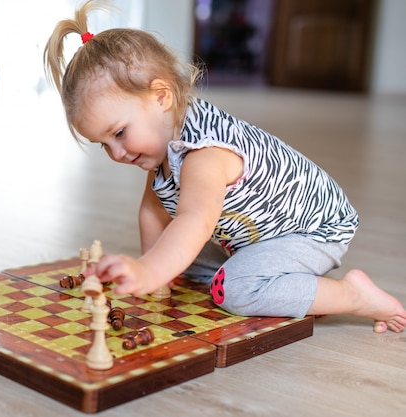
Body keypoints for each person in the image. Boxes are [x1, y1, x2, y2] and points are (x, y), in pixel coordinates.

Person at [44, 0, 406, 334]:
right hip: (256, 238)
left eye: (120, 133)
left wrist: (148, 271)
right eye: (104, 144)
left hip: (312, 232)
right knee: (185, 265)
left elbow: (194, 220)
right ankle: (294, 289)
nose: (117, 153)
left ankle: (350, 294)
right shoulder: (161, 145)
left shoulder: (204, 153)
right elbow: (153, 212)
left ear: (161, 96)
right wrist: (157, 275)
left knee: (233, 290)